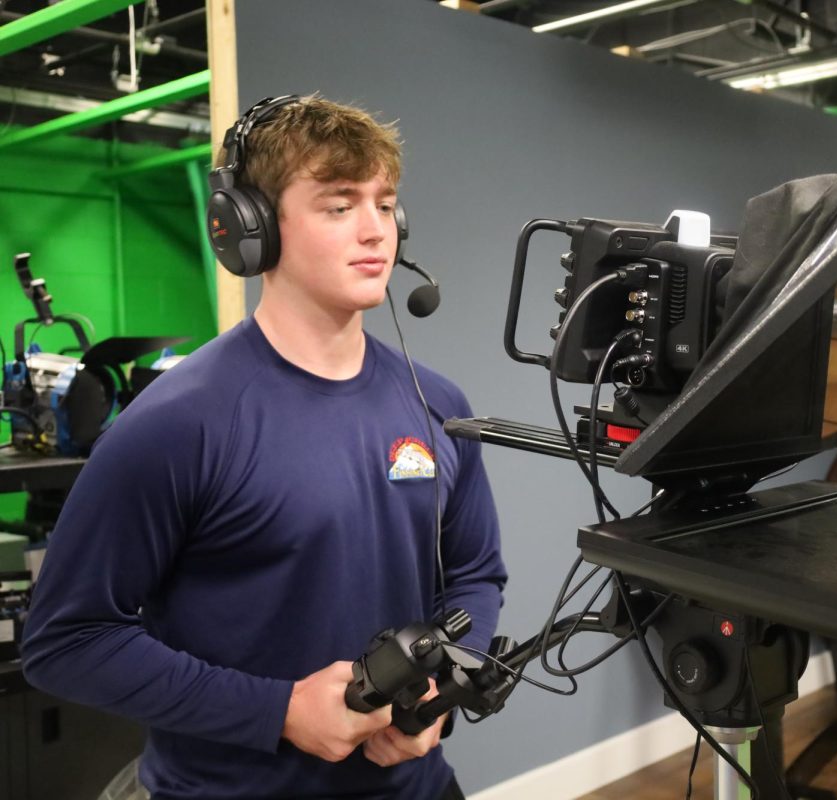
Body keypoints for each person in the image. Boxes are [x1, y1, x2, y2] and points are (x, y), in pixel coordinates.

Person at [21, 94, 507, 800]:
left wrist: (439, 688)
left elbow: (476, 576)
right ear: (249, 228)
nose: (375, 231)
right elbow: (65, 640)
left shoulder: (440, 403)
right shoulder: (177, 425)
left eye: (384, 203)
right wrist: (276, 711)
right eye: (339, 205)